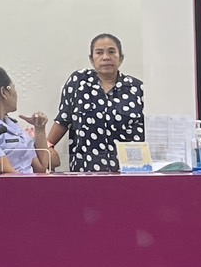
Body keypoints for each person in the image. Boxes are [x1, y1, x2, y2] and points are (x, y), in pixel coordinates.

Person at [47, 33, 145, 172]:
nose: (106, 57)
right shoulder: (79, 82)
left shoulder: (137, 88)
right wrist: (47, 146)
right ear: (91, 59)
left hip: (128, 171)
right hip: (86, 169)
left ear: (121, 58)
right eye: (99, 52)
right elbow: (63, 119)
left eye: (111, 52)